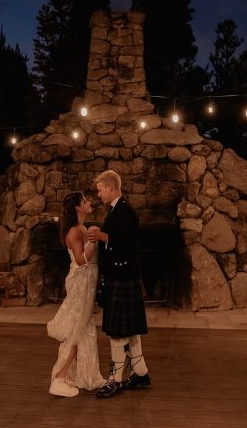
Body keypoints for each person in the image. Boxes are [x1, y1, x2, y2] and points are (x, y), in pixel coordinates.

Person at [87, 170, 150, 398]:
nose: (98, 193)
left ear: (111, 187)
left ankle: (114, 379)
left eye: (100, 189)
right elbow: (117, 237)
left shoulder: (126, 212)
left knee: (117, 333)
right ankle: (141, 373)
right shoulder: (116, 210)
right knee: (130, 331)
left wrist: (104, 237)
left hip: (124, 277)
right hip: (120, 276)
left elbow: (127, 245)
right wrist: (102, 233)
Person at [47, 192, 106, 397]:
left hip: (87, 282)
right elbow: (81, 261)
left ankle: (85, 375)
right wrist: (94, 240)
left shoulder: (82, 227)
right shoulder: (74, 231)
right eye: (85, 201)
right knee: (77, 329)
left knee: (84, 329)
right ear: (78, 207)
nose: (89, 203)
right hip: (80, 282)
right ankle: (59, 378)